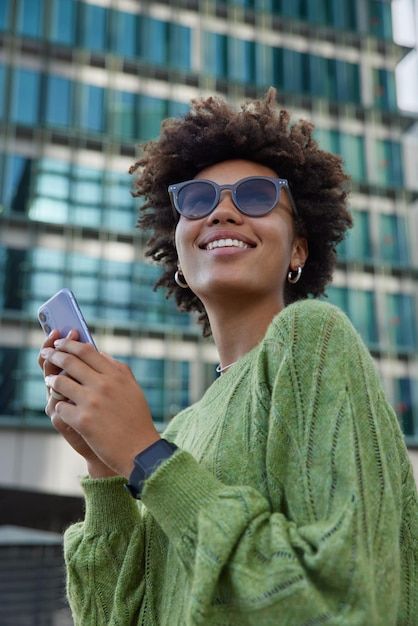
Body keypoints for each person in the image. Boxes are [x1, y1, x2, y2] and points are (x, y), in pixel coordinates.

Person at [38, 88, 417, 625]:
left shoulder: (312, 337)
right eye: (197, 200)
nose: (222, 211)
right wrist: (104, 463)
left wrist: (147, 457)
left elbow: (343, 603)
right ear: (178, 252)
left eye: (257, 196)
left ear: (299, 250)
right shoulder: (184, 428)